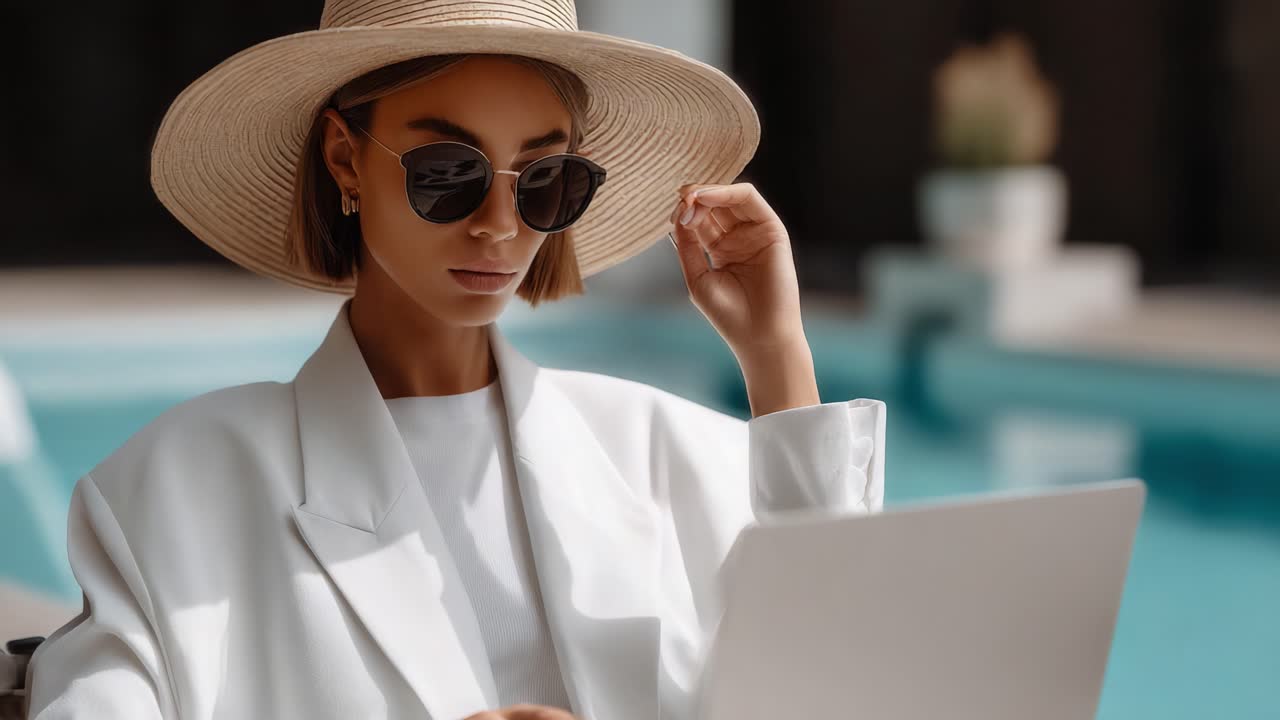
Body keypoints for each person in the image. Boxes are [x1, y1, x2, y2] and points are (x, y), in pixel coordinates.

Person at [24, 1, 887, 718]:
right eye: (448, 171)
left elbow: (859, 679)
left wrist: (777, 355)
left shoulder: (680, 460)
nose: (501, 226)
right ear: (343, 159)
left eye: (545, 177)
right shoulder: (172, 491)